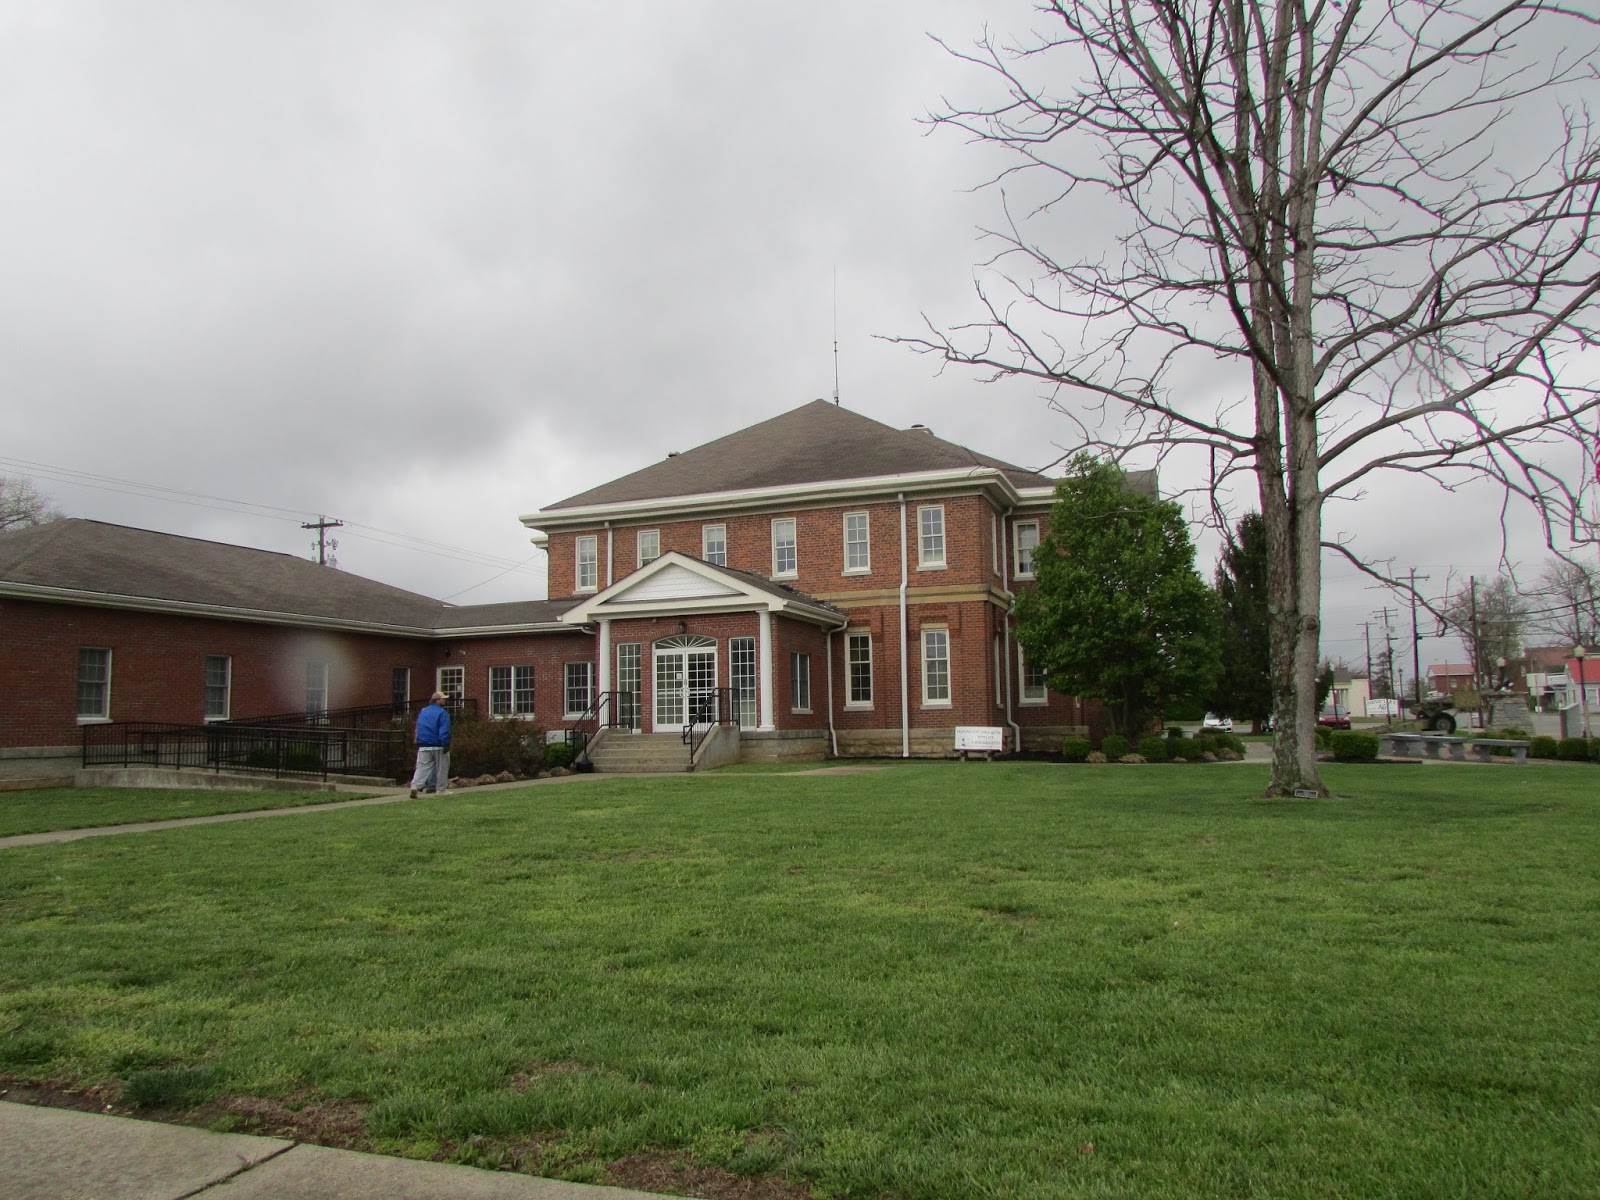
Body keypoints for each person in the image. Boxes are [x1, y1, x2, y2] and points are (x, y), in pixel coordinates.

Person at [409, 690, 452, 798]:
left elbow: (419, 727)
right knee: (442, 768)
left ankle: (415, 786)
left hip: (424, 745)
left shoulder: (423, 712)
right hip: (438, 744)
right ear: (437, 700)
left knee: (422, 767)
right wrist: (446, 743)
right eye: (443, 699)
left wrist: (418, 740)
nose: (445, 701)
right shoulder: (442, 713)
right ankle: (441, 789)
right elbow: (444, 730)